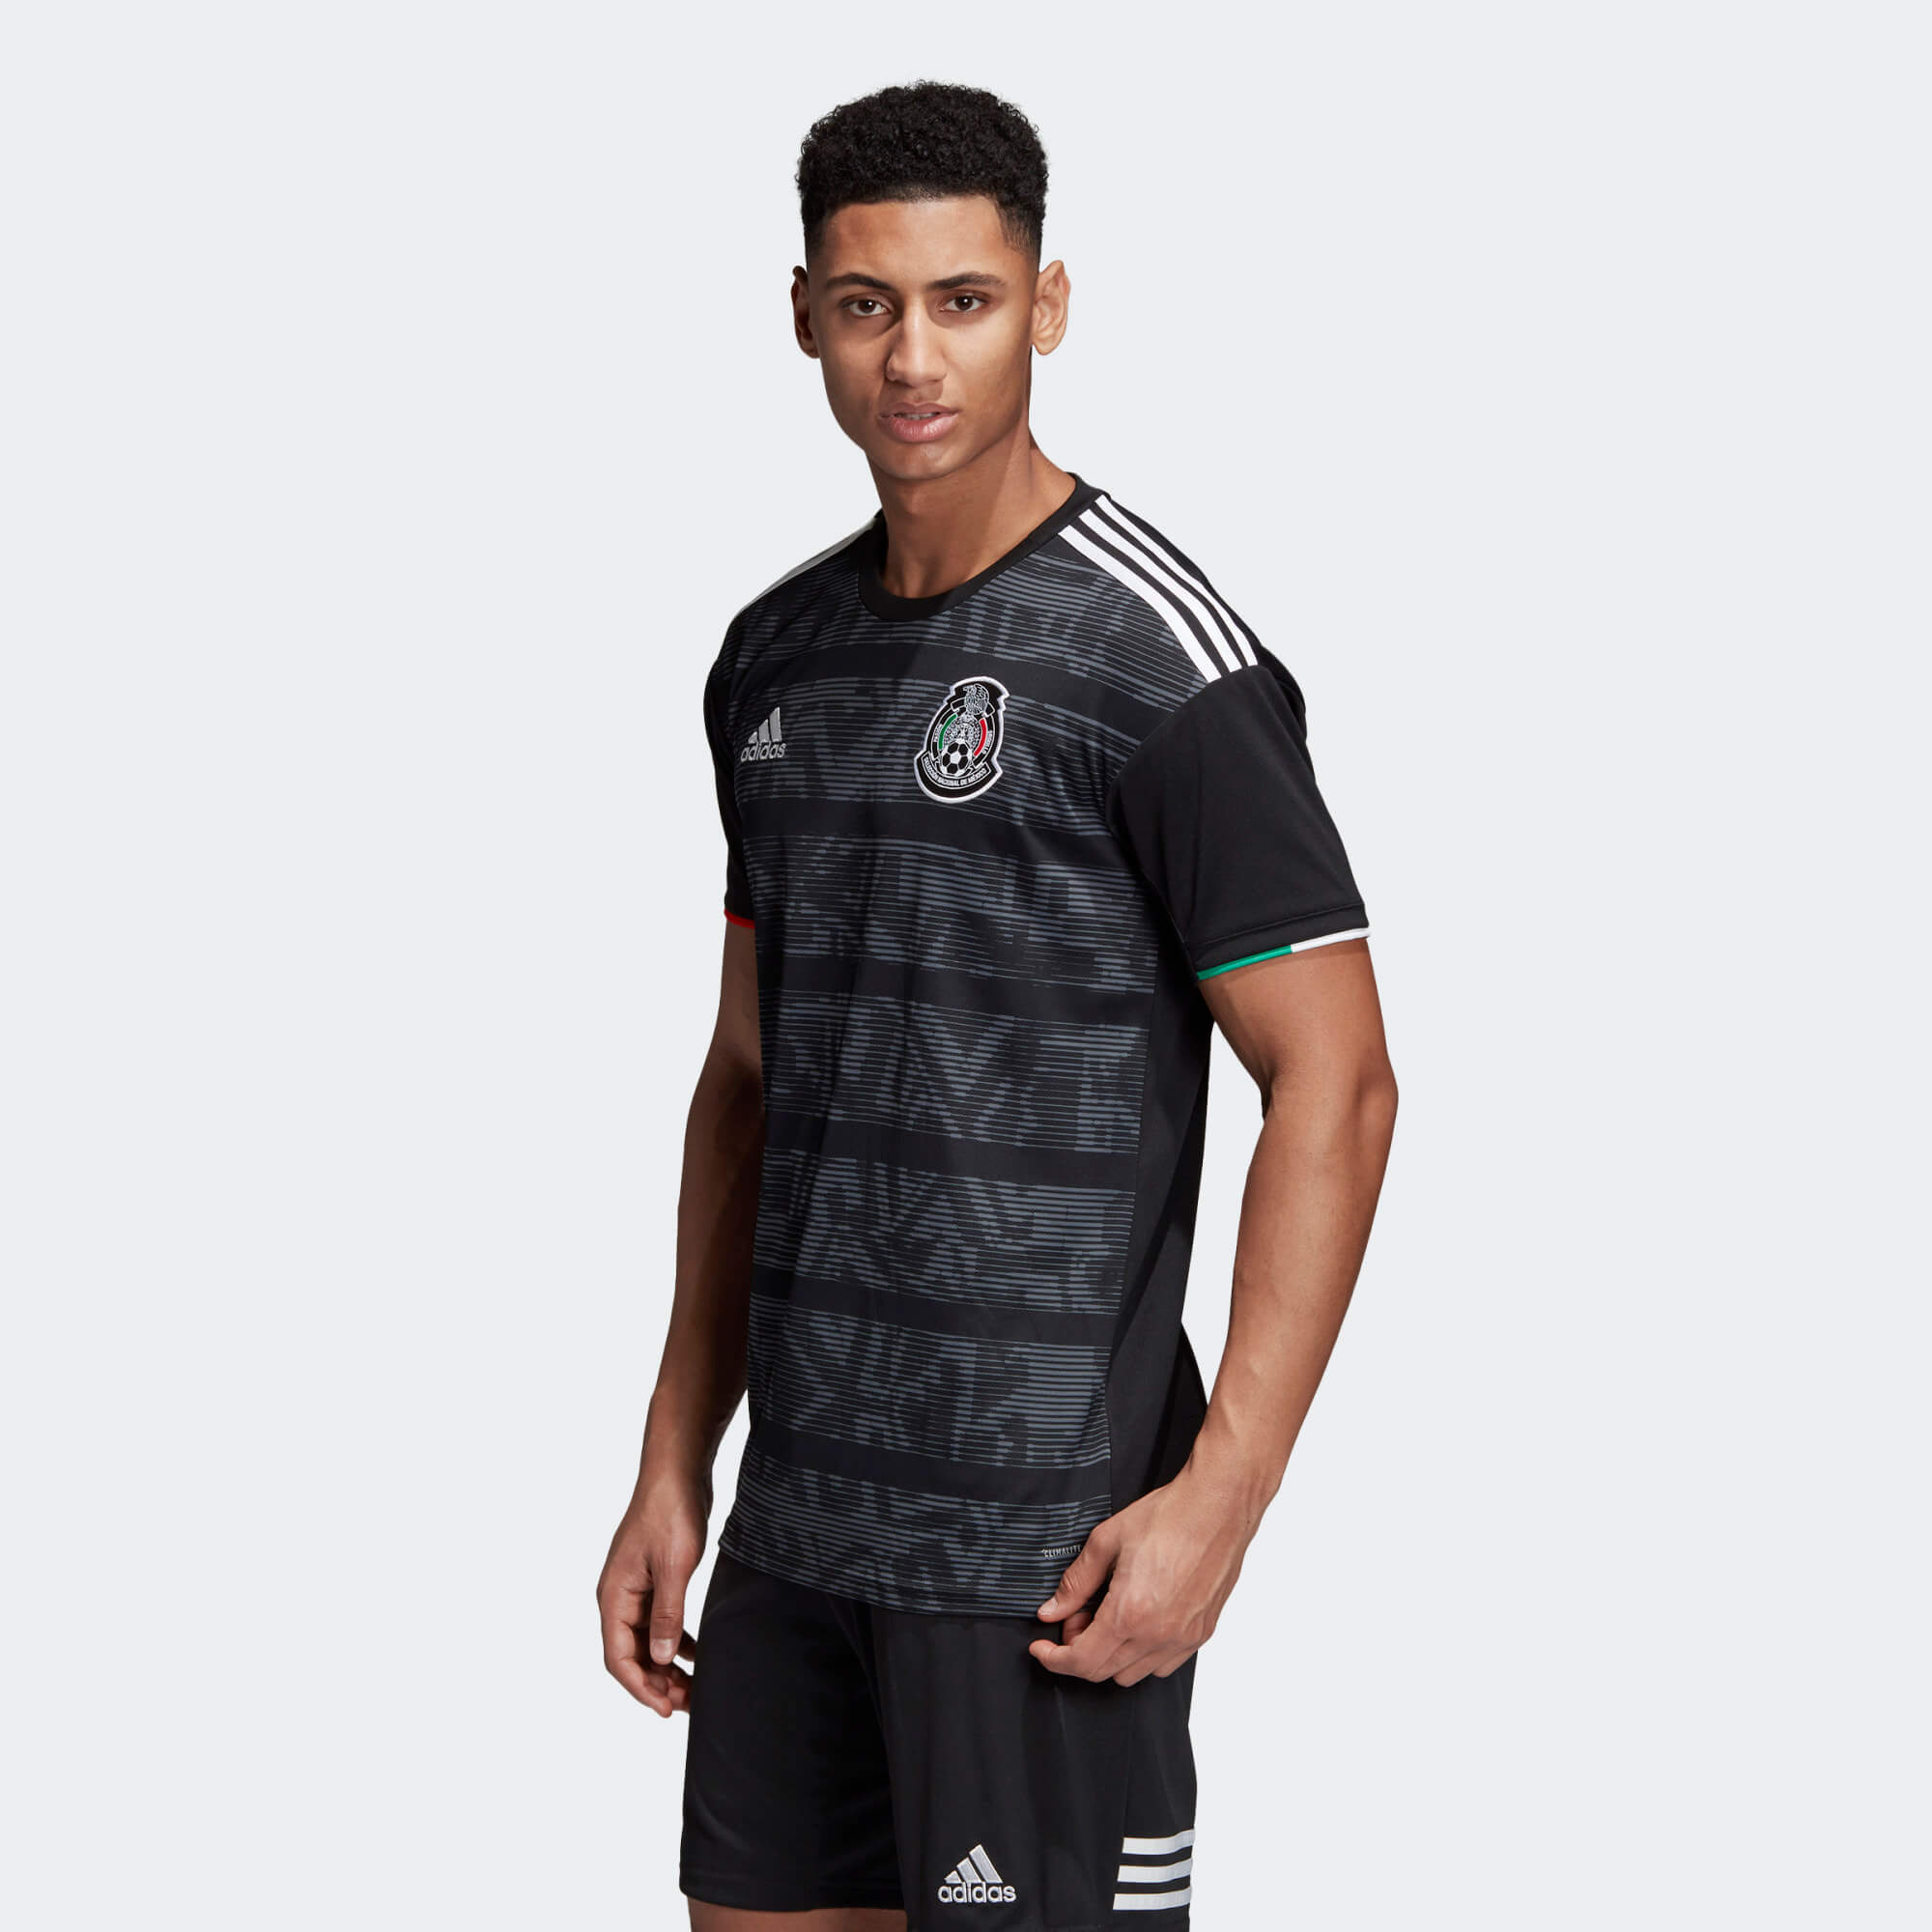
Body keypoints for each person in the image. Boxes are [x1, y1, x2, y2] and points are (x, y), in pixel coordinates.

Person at [597, 80, 1398, 1931]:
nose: (912, 358)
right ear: (804, 315)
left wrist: (1227, 1494)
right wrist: (672, 1457)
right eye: (867, 305)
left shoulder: (1162, 665)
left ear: (1045, 305)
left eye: (962, 301)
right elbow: (749, 1077)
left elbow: (1337, 1084)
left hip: (1043, 1557)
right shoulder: (772, 659)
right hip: (799, 1532)